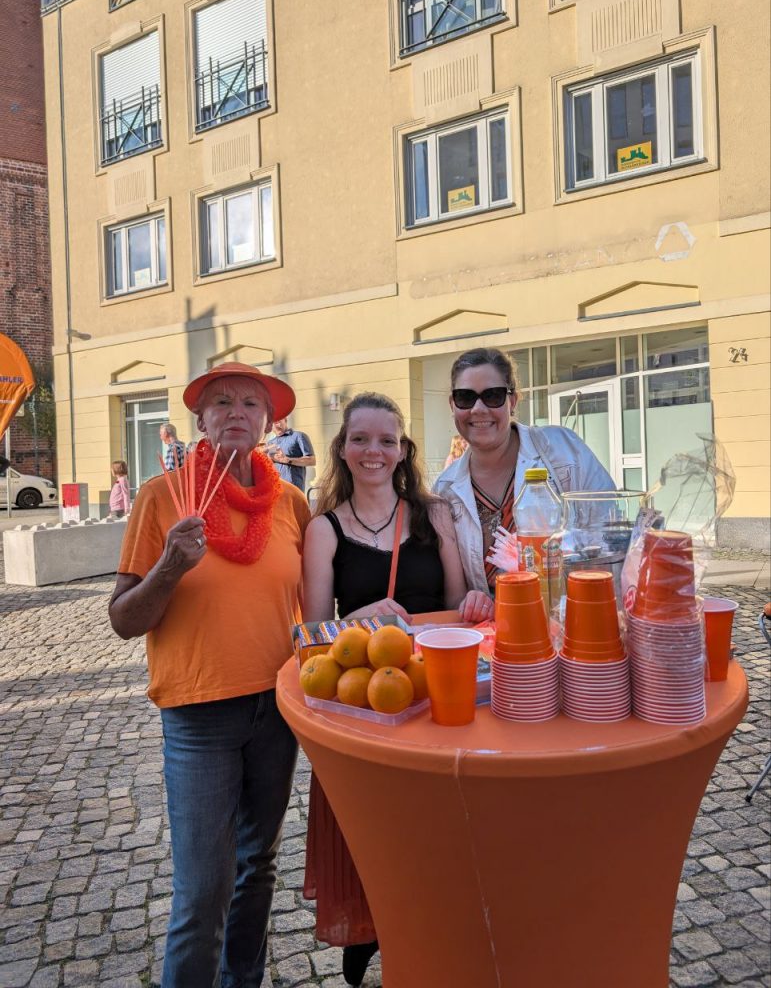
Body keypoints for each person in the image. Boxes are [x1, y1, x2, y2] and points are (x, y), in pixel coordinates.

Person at [108, 362, 310, 988]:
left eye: (251, 403)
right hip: (199, 715)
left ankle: (241, 980)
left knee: (259, 867)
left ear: (268, 423)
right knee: (202, 888)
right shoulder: (161, 495)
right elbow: (122, 619)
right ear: (200, 420)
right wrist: (169, 566)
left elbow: (315, 602)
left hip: (276, 711)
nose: (235, 412)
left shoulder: (291, 503)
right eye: (220, 401)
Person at [301, 392, 490, 986]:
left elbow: (460, 607)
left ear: (402, 450)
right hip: (369, 705)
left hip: (438, 698)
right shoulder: (323, 529)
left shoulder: (435, 516)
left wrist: (478, 604)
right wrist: (357, 618)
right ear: (343, 449)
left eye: (387, 440)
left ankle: (447, 946)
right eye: (361, 439)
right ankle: (373, 933)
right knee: (379, 840)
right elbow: (309, 638)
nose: (374, 451)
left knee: (443, 836)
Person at [434, 347, 615, 594]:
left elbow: (609, 533)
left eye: (493, 395)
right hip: (491, 629)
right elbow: (455, 590)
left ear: (513, 401)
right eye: (465, 397)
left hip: (568, 616)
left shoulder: (562, 450)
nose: (478, 409)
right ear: (452, 405)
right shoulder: (444, 491)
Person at [266, 416, 316, 492]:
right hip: (276, 488)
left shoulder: (299, 436)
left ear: (285, 420)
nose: (276, 425)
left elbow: (311, 460)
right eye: (273, 423)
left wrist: (288, 460)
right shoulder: (270, 443)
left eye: (278, 421)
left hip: (294, 488)